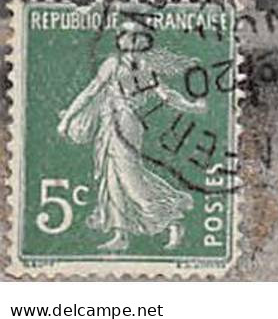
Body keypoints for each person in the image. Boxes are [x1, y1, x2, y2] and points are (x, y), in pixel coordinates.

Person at [56, 22, 207, 251]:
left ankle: (171, 221)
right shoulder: (116, 64)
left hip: (125, 124)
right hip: (112, 123)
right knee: (113, 177)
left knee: (130, 179)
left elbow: (165, 94)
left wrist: (191, 106)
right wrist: (68, 117)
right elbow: (92, 91)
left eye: (135, 37)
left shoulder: (138, 65)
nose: (130, 41)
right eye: (127, 36)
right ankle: (120, 235)